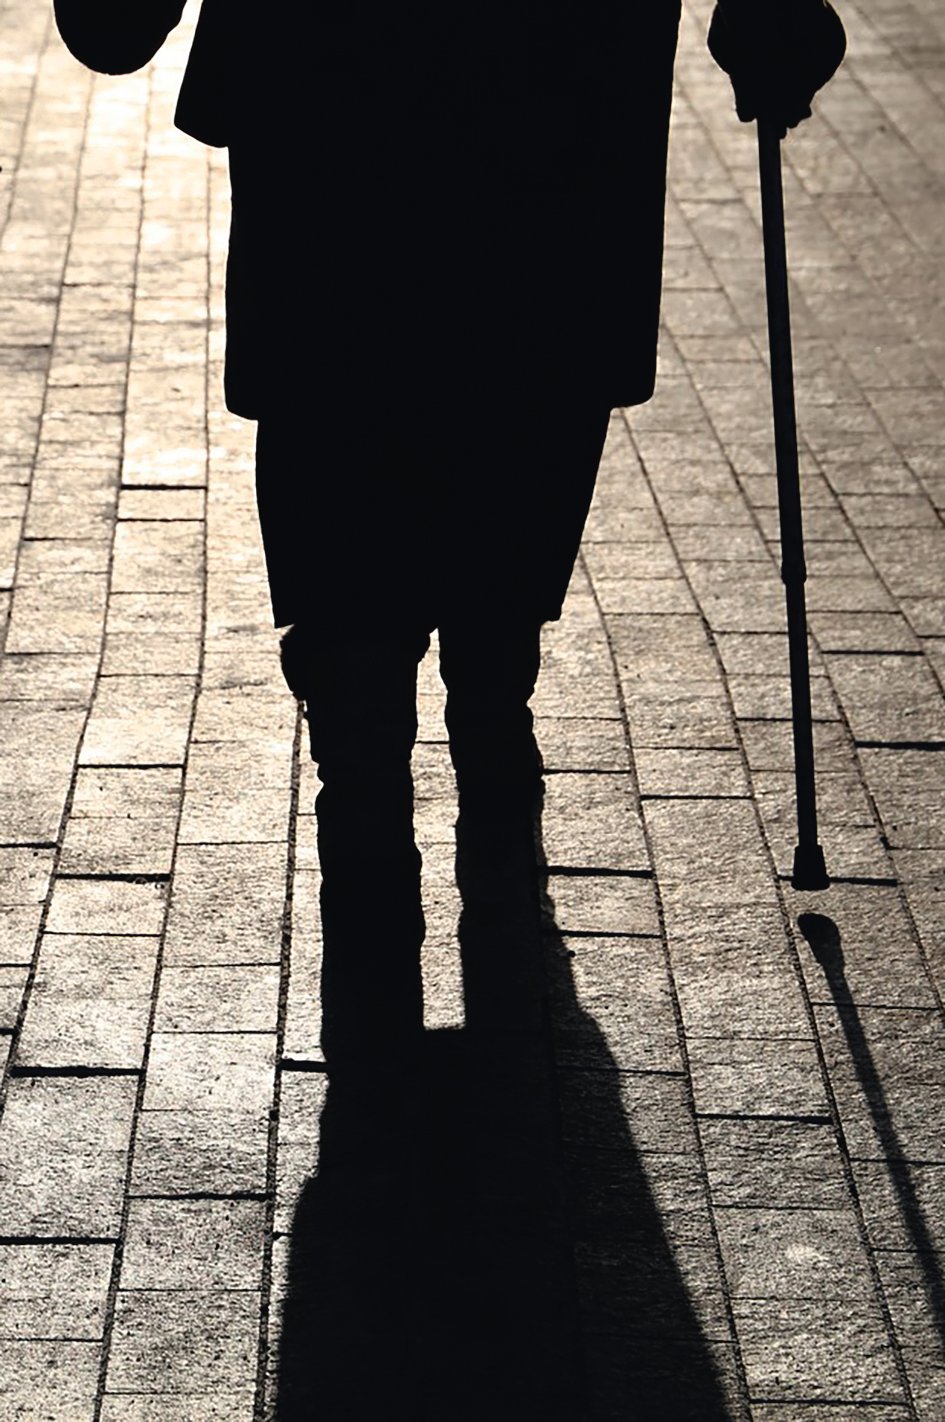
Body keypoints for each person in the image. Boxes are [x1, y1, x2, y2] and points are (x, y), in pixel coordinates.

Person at [53, 0, 845, 1063]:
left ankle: (382, 837)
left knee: (352, 484)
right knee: (505, 454)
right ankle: (486, 786)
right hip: (552, 93)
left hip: (332, 99)